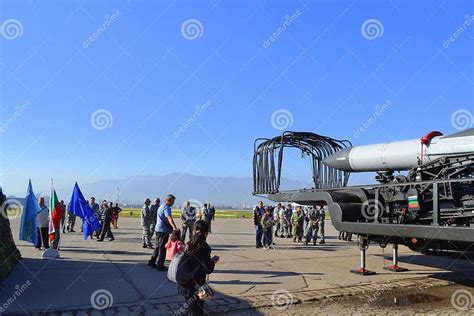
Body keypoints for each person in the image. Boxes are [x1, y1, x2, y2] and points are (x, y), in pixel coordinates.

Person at [178, 220, 219, 316]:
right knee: (197, 310)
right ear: (206, 233)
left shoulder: (188, 244)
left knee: (190, 308)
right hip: (196, 285)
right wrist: (212, 261)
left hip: (185, 282)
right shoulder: (205, 247)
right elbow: (208, 269)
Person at [148, 194, 178, 271]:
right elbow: (169, 218)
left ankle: (152, 261)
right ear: (169, 200)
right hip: (163, 231)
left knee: (157, 246)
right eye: (173, 201)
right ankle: (160, 265)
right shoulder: (166, 208)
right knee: (162, 248)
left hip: (158, 229)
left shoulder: (161, 206)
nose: (173, 203)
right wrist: (174, 227)